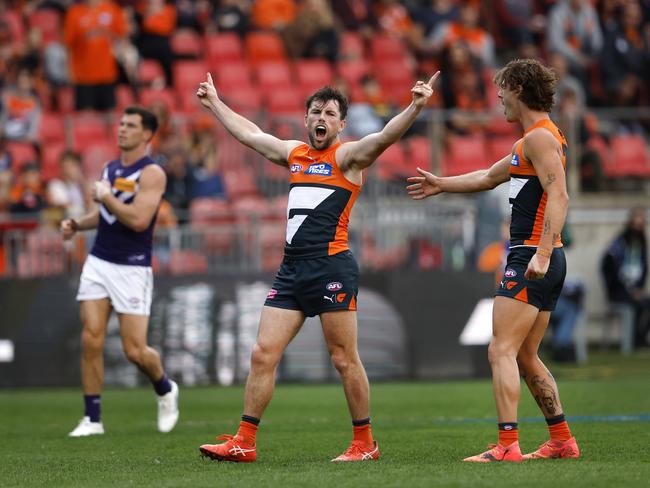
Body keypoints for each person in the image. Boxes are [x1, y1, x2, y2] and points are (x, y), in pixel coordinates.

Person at [195, 70, 439, 462]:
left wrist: (415, 106)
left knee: (344, 358)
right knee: (262, 354)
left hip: (331, 268)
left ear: (341, 123)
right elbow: (251, 135)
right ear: (306, 119)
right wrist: (216, 103)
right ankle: (244, 441)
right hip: (291, 271)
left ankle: (364, 444)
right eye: (315, 112)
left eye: (329, 113)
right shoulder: (295, 154)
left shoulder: (347, 156)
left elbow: (384, 137)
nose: (321, 118)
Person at [407, 59, 579, 462]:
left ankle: (507, 446)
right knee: (523, 354)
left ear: (519, 88)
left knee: (500, 349)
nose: (498, 96)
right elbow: (487, 176)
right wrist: (441, 184)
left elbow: (560, 197)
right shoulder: (531, 141)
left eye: (503, 88)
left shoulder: (538, 139)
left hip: (532, 256)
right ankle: (562, 439)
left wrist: (539, 252)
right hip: (546, 259)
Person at [60, 106, 179, 437]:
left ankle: (165, 388)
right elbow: (106, 215)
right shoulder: (110, 168)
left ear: (146, 134)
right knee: (91, 338)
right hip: (99, 261)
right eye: (121, 123)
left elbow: (138, 219)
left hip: (132, 267)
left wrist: (108, 197)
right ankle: (92, 418)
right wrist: (77, 224)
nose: (122, 129)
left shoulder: (153, 173)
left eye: (130, 125)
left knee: (134, 351)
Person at [601, 207, 650, 351]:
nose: (638, 228)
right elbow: (609, 270)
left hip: (633, 290)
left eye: (641, 225)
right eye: (635, 225)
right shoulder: (619, 244)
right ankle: (634, 341)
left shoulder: (641, 243)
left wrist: (638, 289)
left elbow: (643, 268)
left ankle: (639, 338)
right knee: (637, 305)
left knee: (644, 304)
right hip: (618, 291)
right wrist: (626, 290)